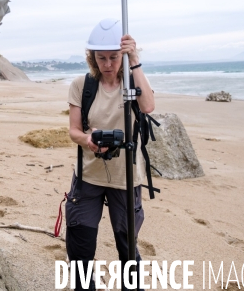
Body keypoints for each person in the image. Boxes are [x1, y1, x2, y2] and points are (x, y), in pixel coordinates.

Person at [66, 18, 155, 290]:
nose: (107, 64)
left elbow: (149, 106)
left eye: (114, 57)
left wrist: (135, 59)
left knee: (127, 247)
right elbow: (73, 131)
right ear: (92, 57)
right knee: (80, 246)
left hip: (125, 177)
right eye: (101, 57)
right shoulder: (82, 85)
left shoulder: (133, 84)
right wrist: (89, 140)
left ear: (123, 56)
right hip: (89, 175)